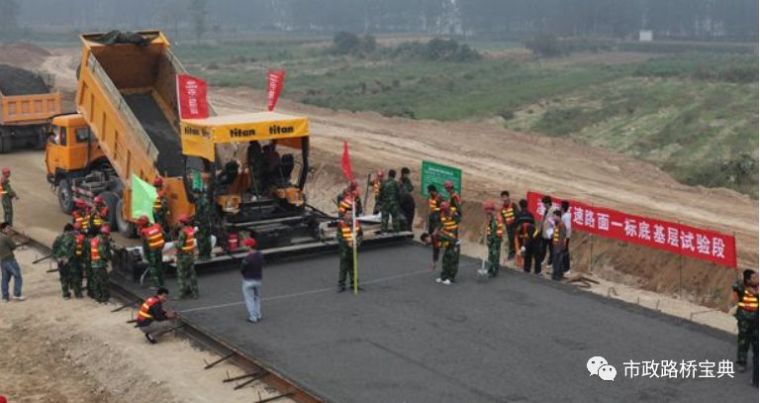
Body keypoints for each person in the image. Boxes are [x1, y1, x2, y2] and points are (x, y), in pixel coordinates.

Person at [732, 269, 758, 383]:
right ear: (748, 279)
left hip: (757, 319)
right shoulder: (740, 286)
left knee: (756, 342)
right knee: (743, 341)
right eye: (754, 277)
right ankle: (741, 362)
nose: (757, 279)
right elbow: (736, 295)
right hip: (744, 318)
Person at [337, 211, 362, 292]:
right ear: (344, 216)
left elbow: (360, 235)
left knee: (353, 268)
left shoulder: (356, 224)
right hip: (345, 250)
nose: (350, 215)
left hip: (354, 250)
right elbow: (339, 237)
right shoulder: (341, 225)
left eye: (351, 214)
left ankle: (354, 284)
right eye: (348, 214)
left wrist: (357, 242)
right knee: (343, 268)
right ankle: (341, 285)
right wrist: (347, 242)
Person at [435, 201, 460, 285]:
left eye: (444, 210)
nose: (443, 212)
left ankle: (451, 278)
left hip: (453, 240)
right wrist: (437, 231)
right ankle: (443, 276)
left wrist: (449, 235)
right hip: (446, 238)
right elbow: (440, 224)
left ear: (448, 208)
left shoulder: (454, 213)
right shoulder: (442, 214)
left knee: (453, 260)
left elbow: (456, 225)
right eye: (442, 210)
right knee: (445, 259)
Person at [138, 215, 166, 288]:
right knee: (159, 266)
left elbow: (145, 244)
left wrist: (146, 255)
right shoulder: (157, 226)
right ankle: (162, 282)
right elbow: (163, 235)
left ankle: (157, 285)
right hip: (159, 249)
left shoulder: (144, 231)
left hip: (153, 251)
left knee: (153, 267)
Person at [175, 214, 199, 299]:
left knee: (181, 275)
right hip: (190, 255)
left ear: (182, 223)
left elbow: (180, 245)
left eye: (179, 222)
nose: (178, 223)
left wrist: (175, 243)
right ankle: (195, 293)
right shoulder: (190, 230)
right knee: (192, 274)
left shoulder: (182, 232)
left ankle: (182, 294)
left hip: (183, 256)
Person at [241, 238, 263, 323]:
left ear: (249, 246)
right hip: (258, 279)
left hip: (248, 280)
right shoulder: (260, 255)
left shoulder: (247, 258)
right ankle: (258, 314)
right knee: (257, 298)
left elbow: (242, 269)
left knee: (249, 299)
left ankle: (253, 317)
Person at [52, 223, 78, 299]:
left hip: (61, 261)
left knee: (63, 277)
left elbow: (54, 249)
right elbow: (73, 250)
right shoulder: (73, 238)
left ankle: (65, 294)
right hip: (69, 261)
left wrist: (57, 258)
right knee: (73, 276)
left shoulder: (58, 238)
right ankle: (75, 291)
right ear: (70, 231)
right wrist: (67, 258)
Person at [0, 222, 23, 302]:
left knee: (5, 279)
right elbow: (14, 246)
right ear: (3, 229)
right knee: (18, 276)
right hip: (10, 259)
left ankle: (5, 297)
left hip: (2, 260)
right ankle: (17, 294)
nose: (9, 230)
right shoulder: (6, 237)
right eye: (8, 228)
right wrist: (11, 238)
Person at [89, 225, 112, 303]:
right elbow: (103, 254)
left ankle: (97, 297)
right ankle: (104, 298)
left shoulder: (94, 239)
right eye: (107, 234)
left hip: (94, 263)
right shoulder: (102, 241)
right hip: (100, 264)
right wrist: (110, 256)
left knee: (96, 281)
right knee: (103, 281)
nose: (107, 236)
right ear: (104, 234)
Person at [483, 201, 504, 278]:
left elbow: (495, 231)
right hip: (493, 239)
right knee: (491, 255)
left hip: (495, 240)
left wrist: (490, 239)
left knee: (494, 255)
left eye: (486, 210)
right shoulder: (492, 217)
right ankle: (491, 269)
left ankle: (493, 271)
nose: (486, 213)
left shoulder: (496, 218)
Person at [426, 185, 443, 271]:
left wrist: (439, 226)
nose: (429, 193)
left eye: (429, 192)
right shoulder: (431, 198)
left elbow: (443, 211)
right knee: (433, 239)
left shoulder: (439, 198)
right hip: (432, 219)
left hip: (437, 220)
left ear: (433, 191)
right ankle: (434, 261)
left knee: (436, 241)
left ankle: (435, 261)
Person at [539, 195, 557, 269]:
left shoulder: (553, 210)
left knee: (551, 248)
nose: (543, 205)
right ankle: (542, 260)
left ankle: (550, 262)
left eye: (544, 203)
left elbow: (555, 222)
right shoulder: (546, 210)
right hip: (544, 232)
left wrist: (553, 232)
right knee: (543, 248)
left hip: (550, 234)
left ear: (548, 203)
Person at [500, 191, 519, 261]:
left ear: (508, 197)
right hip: (508, 227)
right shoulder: (502, 208)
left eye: (505, 197)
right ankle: (511, 254)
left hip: (515, 226)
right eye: (503, 197)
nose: (504, 199)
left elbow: (517, 215)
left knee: (516, 240)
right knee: (511, 240)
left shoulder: (513, 205)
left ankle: (517, 255)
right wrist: (505, 223)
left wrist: (514, 222)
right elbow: (503, 217)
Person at [194, 187, 213, 260]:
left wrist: (198, 223)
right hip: (207, 223)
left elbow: (201, 214)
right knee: (207, 239)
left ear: (197, 194)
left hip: (202, 224)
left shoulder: (200, 202)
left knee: (201, 240)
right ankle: (208, 254)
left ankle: (202, 255)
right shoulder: (205, 200)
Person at [71, 222, 87, 298]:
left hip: (71, 259)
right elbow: (83, 249)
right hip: (77, 259)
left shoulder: (70, 236)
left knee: (74, 275)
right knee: (78, 276)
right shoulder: (81, 237)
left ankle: (74, 287)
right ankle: (78, 293)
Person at [550, 210, 568, 281]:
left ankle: (556, 275)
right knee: (557, 261)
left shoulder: (562, 225)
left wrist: (559, 248)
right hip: (555, 245)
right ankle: (558, 274)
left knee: (557, 261)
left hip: (558, 246)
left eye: (554, 216)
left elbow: (561, 237)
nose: (553, 217)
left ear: (558, 216)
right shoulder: (556, 224)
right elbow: (556, 234)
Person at [560, 200, 572, 274]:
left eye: (560, 206)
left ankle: (567, 269)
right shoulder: (564, 215)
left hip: (565, 237)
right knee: (563, 251)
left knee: (565, 252)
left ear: (563, 207)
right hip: (564, 236)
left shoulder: (566, 216)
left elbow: (567, 227)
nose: (559, 207)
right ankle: (564, 267)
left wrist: (565, 238)